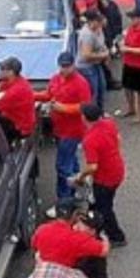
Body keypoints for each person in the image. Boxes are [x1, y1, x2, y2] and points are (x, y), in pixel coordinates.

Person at [34, 53, 92, 202]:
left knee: (62, 166)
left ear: (73, 65)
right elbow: (49, 93)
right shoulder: (55, 78)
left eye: (67, 66)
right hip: (59, 129)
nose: (64, 69)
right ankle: (78, 186)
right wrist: (32, 95)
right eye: (62, 66)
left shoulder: (81, 83)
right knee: (71, 160)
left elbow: (85, 107)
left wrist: (63, 108)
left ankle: (64, 199)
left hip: (72, 131)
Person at [73, 104, 127, 245]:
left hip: (104, 178)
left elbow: (92, 166)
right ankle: (94, 225)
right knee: (100, 202)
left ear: (84, 118)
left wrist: (80, 176)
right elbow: (118, 139)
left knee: (105, 207)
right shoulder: (108, 124)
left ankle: (116, 236)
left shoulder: (90, 139)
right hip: (117, 169)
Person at [0, 55, 36, 144]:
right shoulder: (16, 80)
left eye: (2, 69)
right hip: (15, 119)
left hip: (20, 128)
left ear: (11, 72)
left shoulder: (15, 91)